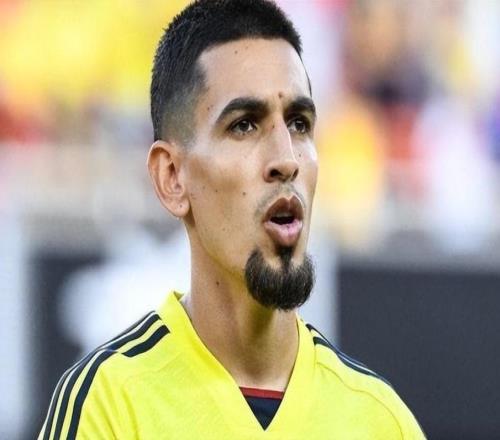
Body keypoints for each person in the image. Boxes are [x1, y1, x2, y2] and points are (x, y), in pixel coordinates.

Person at [38, 0, 425, 438]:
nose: (286, 159)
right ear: (172, 177)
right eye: (244, 125)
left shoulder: (381, 420)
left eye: (299, 123)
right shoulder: (108, 405)